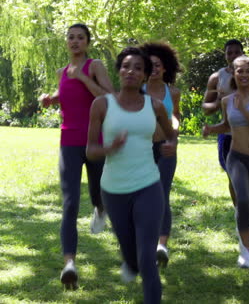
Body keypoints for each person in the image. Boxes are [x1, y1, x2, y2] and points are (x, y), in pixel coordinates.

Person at [87, 47, 178, 304]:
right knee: (131, 254)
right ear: (119, 71)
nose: (131, 71)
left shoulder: (156, 105)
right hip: (113, 190)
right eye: (126, 66)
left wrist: (172, 144)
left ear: (145, 76)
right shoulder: (102, 105)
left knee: (147, 257)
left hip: (148, 185)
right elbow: (91, 150)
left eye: (138, 68)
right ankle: (130, 262)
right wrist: (109, 148)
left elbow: (171, 133)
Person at [40, 23, 114, 289]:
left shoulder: (94, 66)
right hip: (68, 141)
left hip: (95, 141)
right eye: (70, 37)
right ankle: (69, 263)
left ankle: (100, 207)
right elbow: (68, 95)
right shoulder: (62, 71)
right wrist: (52, 98)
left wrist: (83, 77)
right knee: (70, 203)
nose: (74, 41)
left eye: (80, 38)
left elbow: (109, 96)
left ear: (87, 42)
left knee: (97, 192)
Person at [203, 55, 249, 268]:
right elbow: (227, 125)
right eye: (240, 71)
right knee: (243, 200)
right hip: (236, 156)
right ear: (234, 74)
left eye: (248, 71)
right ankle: (245, 251)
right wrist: (212, 129)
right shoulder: (227, 101)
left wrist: (243, 108)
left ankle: (248, 225)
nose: (244, 75)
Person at [202, 39, 249, 205]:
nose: (233, 55)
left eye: (237, 52)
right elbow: (206, 108)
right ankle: (240, 211)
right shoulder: (216, 77)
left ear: (243, 53)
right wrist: (219, 101)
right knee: (233, 176)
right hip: (228, 134)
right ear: (225, 56)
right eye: (229, 52)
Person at [140, 41, 181, 266]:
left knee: (161, 193)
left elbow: (175, 115)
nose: (154, 69)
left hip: (166, 147)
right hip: (142, 150)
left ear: (165, 68)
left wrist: (174, 130)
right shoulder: (137, 91)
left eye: (158, 65)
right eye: (150, 65)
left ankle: (161, 246)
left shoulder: (172, 92)